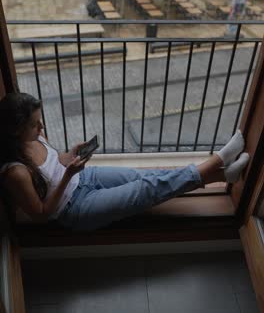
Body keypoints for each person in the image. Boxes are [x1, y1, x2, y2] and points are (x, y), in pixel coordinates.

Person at [0, 93, 249, 232]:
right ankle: (218, 159)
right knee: (147, 189)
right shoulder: (16, 173)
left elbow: (55, 163)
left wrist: (69, 155)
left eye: (40, 121)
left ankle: (222, 175)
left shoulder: (36, 136)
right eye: (35, 124)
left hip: (84, 178)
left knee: (144, 178)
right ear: (15, 130)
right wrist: (67, 176)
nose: (41, 127)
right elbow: (42, 215)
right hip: (73, 209)